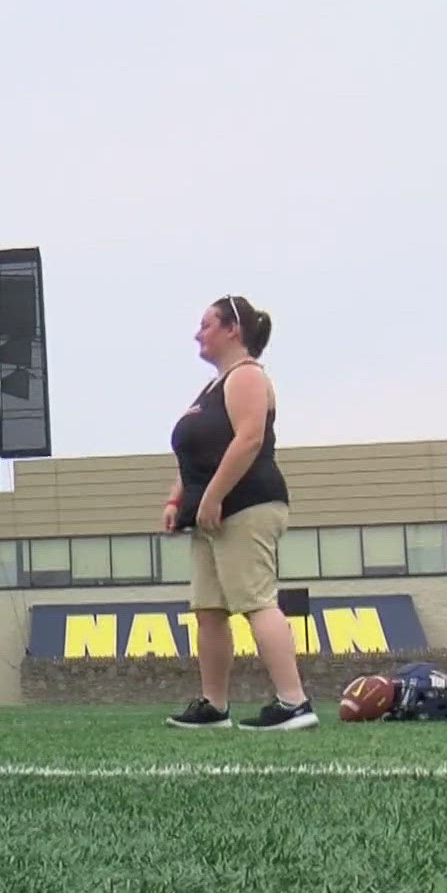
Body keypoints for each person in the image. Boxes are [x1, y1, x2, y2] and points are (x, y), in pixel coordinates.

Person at [164, 295, 315, 731]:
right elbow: (195, 454)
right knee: (209, 608)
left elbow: (248, 439)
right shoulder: (213, 386)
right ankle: (214, 706)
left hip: (246, 505)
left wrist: (212, 497)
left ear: (233, 329)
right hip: (209, 515)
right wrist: (178, 500)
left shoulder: (247, 376)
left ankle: (294, 702)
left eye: (206, 324)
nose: (198, 333)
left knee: (255, 600)